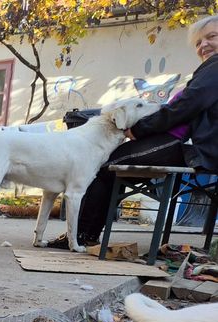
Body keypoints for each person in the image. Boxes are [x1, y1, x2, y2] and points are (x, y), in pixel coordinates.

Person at [50, 14, 218, 248]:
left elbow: (185, 107)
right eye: (198, 42)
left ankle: (81, 235)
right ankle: (85, 234)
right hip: (189, 143)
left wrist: (140, 129)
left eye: (211, 37)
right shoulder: (210, 69)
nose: (203, 45)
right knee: (107, 166)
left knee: (101, 165)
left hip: (187, 145)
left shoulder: (215, 67)